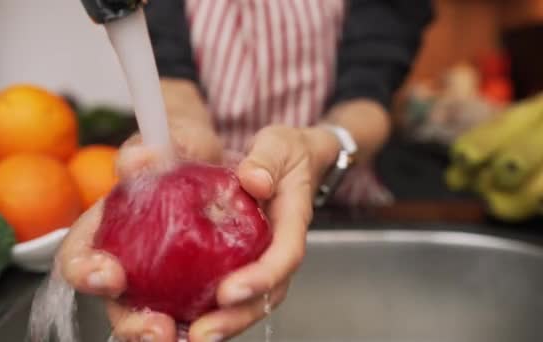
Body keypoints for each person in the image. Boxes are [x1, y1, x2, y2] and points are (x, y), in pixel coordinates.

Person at [59, 0, 434, 341]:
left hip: (343, 204)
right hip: (199, 216)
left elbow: (367, 94)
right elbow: (172, 80)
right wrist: (176, 140)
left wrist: (323, 143)